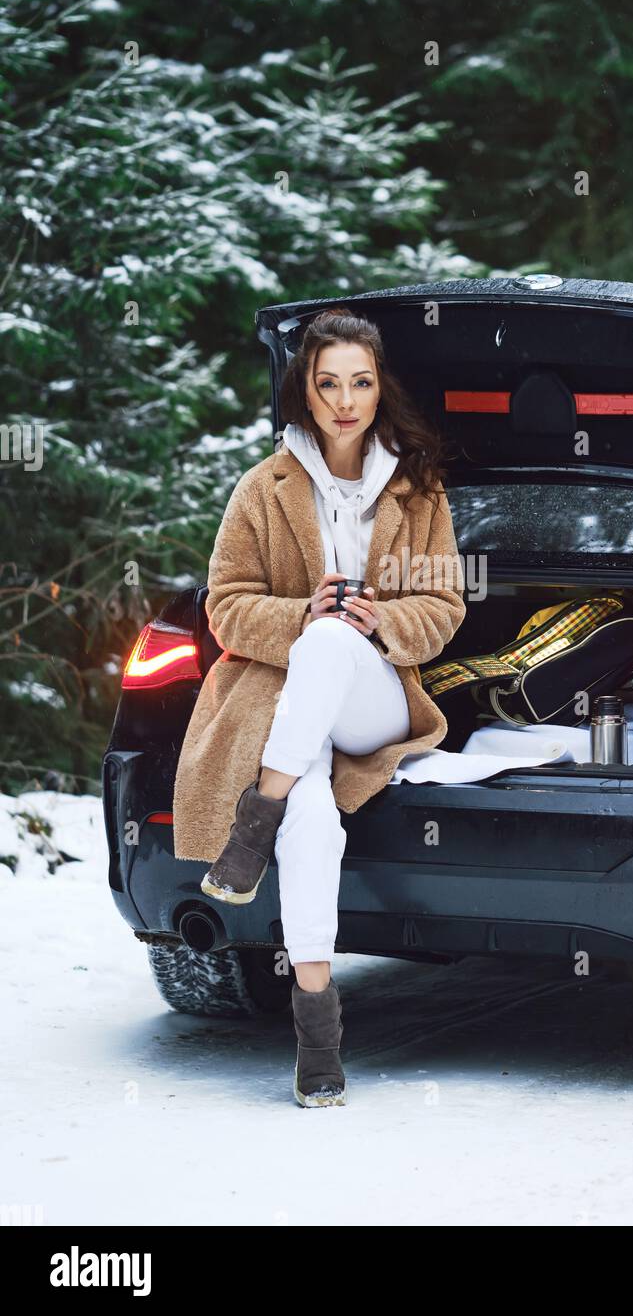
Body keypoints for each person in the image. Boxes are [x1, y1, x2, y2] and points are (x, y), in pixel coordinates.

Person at [183, 305, 466, 1107]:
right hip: (285, 697)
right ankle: (318, 1038)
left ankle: (252, 816)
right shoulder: (262, 488)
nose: (345, 400)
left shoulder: (418, 488)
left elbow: (443, 610)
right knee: (312, 817)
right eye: (328, 382)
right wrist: (301, 611)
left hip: (374, 698)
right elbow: (227, 605)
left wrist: (380, 618)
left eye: (361, 383)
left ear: (381, 390)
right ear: (305, 391)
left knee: (338, 643)